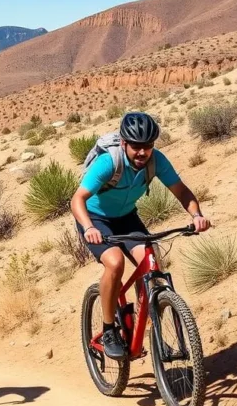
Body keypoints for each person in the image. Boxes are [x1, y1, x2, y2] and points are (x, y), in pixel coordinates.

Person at [70, 112, 211, 359]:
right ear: (124, 143)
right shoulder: (108, 163)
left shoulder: (157, 161)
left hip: (126, 217)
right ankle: (109, 329)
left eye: (147, 146)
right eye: (136, 146)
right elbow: (77, 199)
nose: (142, 153)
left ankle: (149, 328)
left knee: (150, 261)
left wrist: (196, 215)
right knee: (115, 263)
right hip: (95, 218)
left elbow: (181, 191)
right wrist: (90, 228)